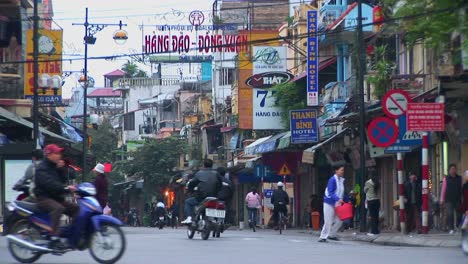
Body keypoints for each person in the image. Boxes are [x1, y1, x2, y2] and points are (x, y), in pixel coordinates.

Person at [34, 144, 79, 239]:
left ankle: (72, 233)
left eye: (59, 153)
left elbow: (62, 180)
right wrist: (65, 188)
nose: (59, 155)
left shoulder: (55, 167)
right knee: (58, 208)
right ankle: (53, 236)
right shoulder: (42, 168)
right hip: (44, 198)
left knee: (76, 208)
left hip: (56, 197)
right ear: (49, 155)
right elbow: (49, 184)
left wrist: (61, 169)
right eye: (56, 153)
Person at [181, 159, 222, 224]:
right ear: (212, 165)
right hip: (214, 197)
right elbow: (220, 185)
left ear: (203, 165)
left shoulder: (199, 173)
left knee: (188, 202)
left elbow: (192, 183)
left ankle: (189, 218)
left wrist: (189, 190)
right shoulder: (217, 174)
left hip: (201, 197)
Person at [319, 165, 346, 242]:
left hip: (338, 203)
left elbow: (342, 192)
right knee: (328, 221)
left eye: (343, 170)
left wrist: (346, 199)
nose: (343, 172)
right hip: (329, 202)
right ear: (336, 171)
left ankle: (332, 234)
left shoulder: (341, 180)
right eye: (341, 170)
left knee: (340, 219)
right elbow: (330, 192)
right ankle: (323, 236)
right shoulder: (332, 180)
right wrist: (338, 199)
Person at [440, 164, 463, 234]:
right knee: (450, 214)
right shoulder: (446, 179)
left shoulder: (459, 178)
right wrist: (442, 199)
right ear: (449, 170)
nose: (453, 170)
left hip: (457, 199)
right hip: (448, 199)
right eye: (451, 169)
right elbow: (443, 189)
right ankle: (451, 228)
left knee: (459, 214)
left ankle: (458, 226)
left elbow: (462, 188)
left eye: (454, 169)